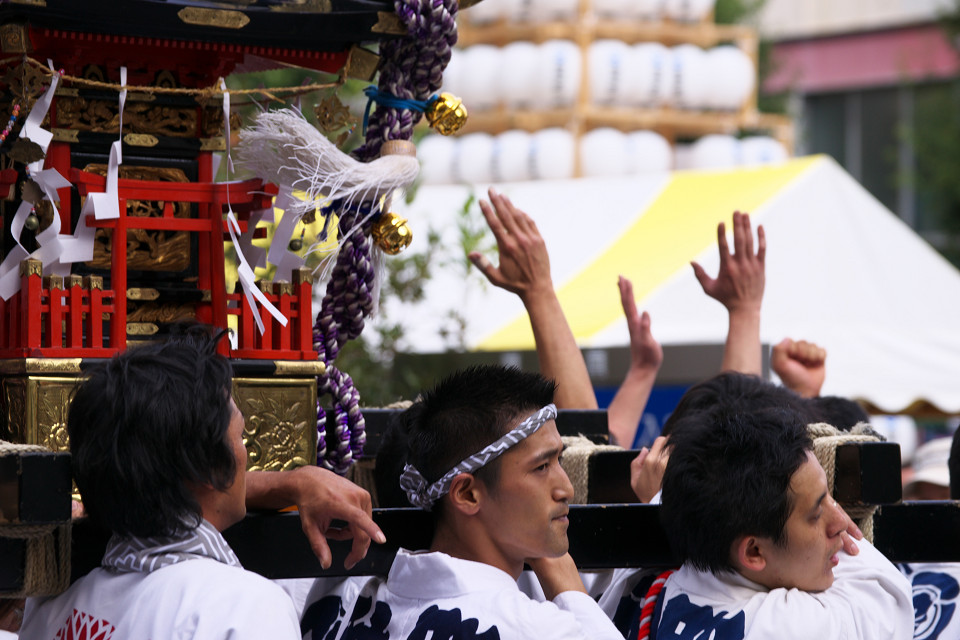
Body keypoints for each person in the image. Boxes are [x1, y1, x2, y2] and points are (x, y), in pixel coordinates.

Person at [300, 364, 624, 640]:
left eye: (559, 462)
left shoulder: (338, 598)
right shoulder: (533, 627)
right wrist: (569, 590)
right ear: (467, 494)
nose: (566, 488)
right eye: (541, 467)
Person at [19, 327, 302, 639]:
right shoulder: (244, 608)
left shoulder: (54, 603)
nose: (246, 454)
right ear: (207, 466)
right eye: (241, 437)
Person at [653, 401, 913, 640]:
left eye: (830, 499)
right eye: (817, 513)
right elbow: (889, 595)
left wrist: (659, 494)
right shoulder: (794, 626)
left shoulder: (642, 585)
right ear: (754, 552)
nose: (841, 521)